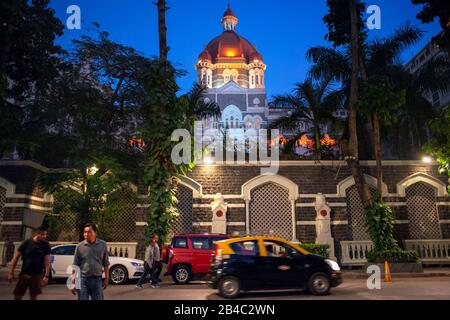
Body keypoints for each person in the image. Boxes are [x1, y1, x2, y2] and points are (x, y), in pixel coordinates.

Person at [8, 226, 51, 300]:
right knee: (18, 295)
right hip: (25, 274)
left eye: (45, 234)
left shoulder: (46, 245)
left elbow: (47, 260)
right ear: (37, 234)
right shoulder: (27, 243)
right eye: (42, 234)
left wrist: (46, 276)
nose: (45, 236)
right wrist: (11, 272)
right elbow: (15, 258)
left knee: (33, 296)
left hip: (37, 275)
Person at [71, 223, 110, 300]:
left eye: (89, 232)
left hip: (97, 280)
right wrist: (72, 282)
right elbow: (75, 265)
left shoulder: (102, 244)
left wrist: (106, 278)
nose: (86, 234)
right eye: (85, 232)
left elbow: (106, 263)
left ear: (95, 233)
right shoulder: (79, 246)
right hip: (83, 280)